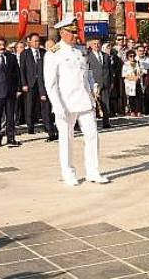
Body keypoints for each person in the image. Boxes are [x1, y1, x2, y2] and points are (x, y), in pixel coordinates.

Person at [43, 17, 108, 186]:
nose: (74, 35)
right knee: (67, 138)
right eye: (71, 32)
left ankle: (93, 171)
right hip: (65, 103)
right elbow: (50, 83)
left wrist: (93, 86)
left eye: (75, 32)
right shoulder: (53, 54)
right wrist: (57, 105)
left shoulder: (81, 51)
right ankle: (68, 172)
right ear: (62, 33)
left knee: (93, 136)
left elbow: (87, 73)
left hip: (85, 101)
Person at [86, 39, 112, 129]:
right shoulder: (88, 57)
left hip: (105, 82)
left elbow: (110, 70)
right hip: (94, 83)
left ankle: (106, 122)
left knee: (105, 103)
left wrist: (110, 82)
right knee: (93, 104)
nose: (96, 45)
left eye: (98, 44)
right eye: (94, 44)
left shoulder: (106, 56)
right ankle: (92, 123)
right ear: (91, 45)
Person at [122, 50, 143, 117]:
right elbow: (124, 74)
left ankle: (139, 111)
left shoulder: (137, 63)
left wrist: (138, 77)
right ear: (128, 57)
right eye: (130, 56)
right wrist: (132, 78)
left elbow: (141, 71)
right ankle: (133, 111)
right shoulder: (125, 64)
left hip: (137, 82)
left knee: (139, 97)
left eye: (133, 56)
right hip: (130, 83)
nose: (132, 57)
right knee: (131, 98)